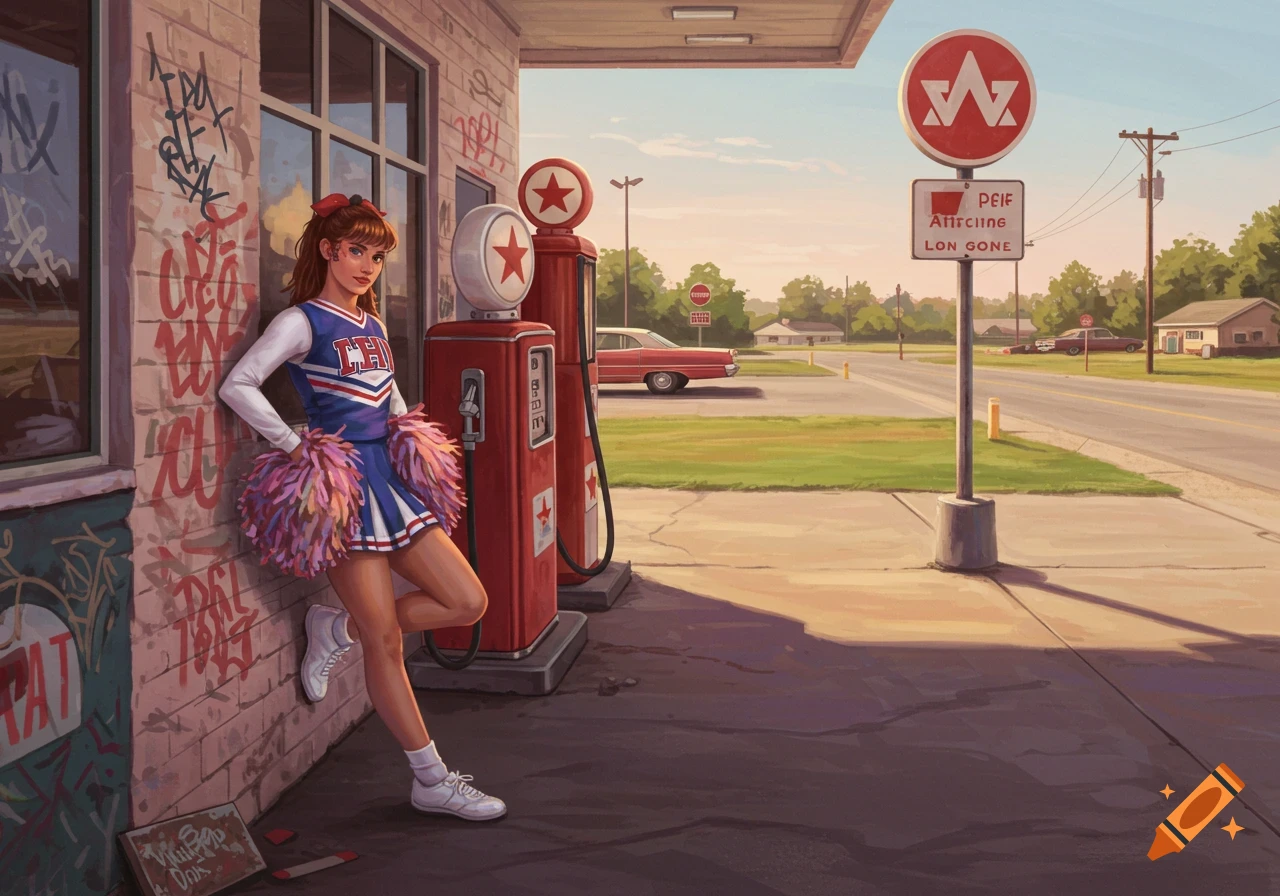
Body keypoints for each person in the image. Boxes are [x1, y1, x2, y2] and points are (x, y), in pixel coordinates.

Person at [218, 192, 505, 821]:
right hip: (344, 489)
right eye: (356, 251)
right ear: (327, 249)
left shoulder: (372, 324)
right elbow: (237, 384)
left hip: (391, 482)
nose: (367, 265)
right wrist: (295, 446)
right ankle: (429, 778)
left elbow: (388, 392)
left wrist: (410, 435)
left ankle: (333, 628)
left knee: (466, 600)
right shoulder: (302, 322)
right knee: (385, 642)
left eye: (377, 256)